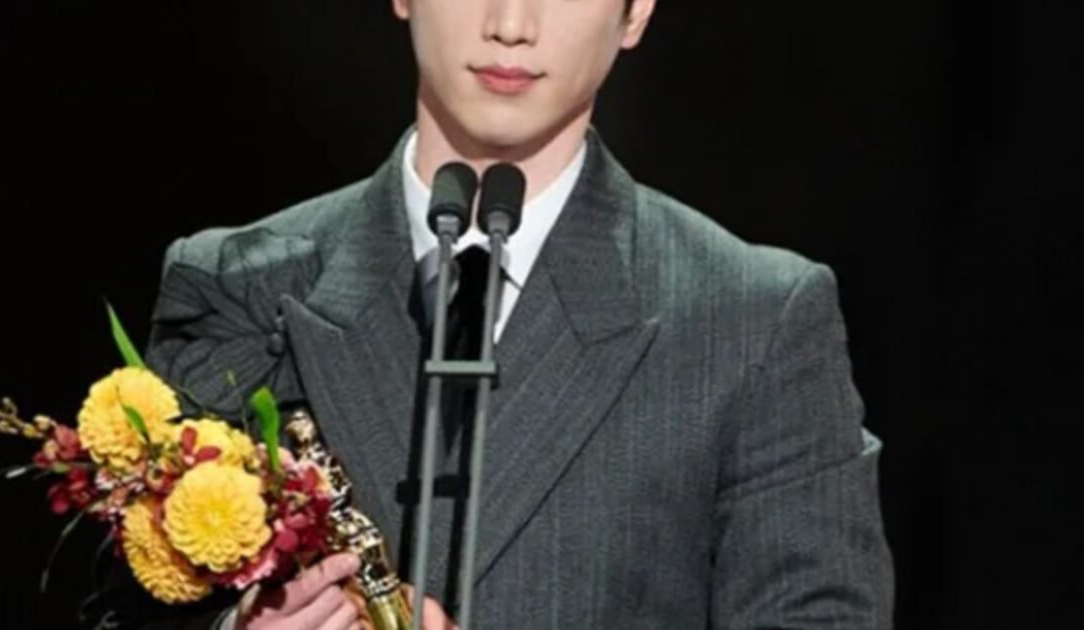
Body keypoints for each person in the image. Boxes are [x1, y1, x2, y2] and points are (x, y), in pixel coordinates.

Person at [80, 0, 895, 628]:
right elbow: (130, 609)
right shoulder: (238, 286)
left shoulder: (747, 321)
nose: (511, 24)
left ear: (636, 12)